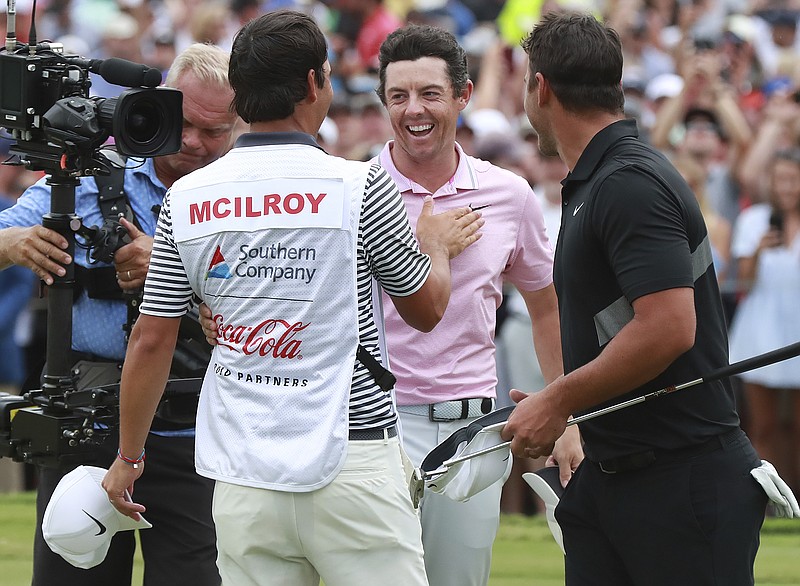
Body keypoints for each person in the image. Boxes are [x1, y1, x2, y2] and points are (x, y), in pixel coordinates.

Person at [102, 10, 483, 586]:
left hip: (243, 470)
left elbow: (151, 338)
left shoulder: (185, 196)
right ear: (312, 84)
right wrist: (434, 246)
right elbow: (425, 310)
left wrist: (129, 458)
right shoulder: (361, 183)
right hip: (352, 458)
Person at [502, 12, 767, 586]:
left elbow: (670, 327)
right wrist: (567, 407)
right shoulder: (601, 180)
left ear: (540, 88)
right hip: (617, 479)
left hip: (680, 486)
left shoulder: (627, 183)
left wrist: (558, 401)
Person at [0, 43, 239, 586]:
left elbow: (275, 304)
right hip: (88, 423)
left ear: (239, 122)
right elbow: (5, 233)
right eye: (185, 123)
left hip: (195, 431)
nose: (196, 143)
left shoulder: (244, 195)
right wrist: (14, 241)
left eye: (216, 131)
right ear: (158, 104)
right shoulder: (88, 176)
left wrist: (173, 266)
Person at [728, 147, 800, 496]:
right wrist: (757, 251)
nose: (787, 187)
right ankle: (767, 502)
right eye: (780, 179)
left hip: (796, 329)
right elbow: (743, 282)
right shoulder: (754, 219)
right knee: (765, 425)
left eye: (793, 179)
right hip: (760, 332)